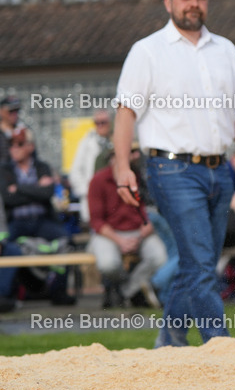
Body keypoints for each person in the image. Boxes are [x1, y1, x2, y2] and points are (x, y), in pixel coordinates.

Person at [113, 0, 235, 347]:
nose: (194, 3)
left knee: (200, 262)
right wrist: (121, 168)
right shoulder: (147, 51)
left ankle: (170, 342)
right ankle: (219, 343)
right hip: (170, 168)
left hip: (220, 168)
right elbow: (126, 111)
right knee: (199, 262)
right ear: (168, 2)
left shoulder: (226, 50)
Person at [0, 126, 76, 305]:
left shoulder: (42, 166)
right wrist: (36, 189)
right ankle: (5, 296)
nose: (14, 148)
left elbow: (47, 193)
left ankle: (58, 291)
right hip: (17, 221)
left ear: (30, 146)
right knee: (7, 247)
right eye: (11, 145)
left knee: (66, 241)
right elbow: (7, 198)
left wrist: (19, 188)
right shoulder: (4, 169)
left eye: (19, 144)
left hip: (41, 220)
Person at [87, 149, 166, 308]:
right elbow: (96, 221)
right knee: (108, 263)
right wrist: (120, 240)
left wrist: (146, 229)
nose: (136, 156)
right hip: (109, 233)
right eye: (131, 151)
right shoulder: (99, 180)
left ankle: (126, 291)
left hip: (139, 231)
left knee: (160, 258)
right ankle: (130, 289)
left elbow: (153, 208)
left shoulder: (141, 176)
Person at [69, 109, 114, 223]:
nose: (100, 126)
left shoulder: (115, 140)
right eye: (97, 123)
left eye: (103, 122)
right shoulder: (86, 143)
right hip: (94, 197)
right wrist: (88, 190)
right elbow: (75, 172)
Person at [0, 95, 26, 164]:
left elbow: (33, 159)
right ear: (1, 111)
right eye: (11, 111)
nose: (15, 114)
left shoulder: (24, 130)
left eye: (17, 111)